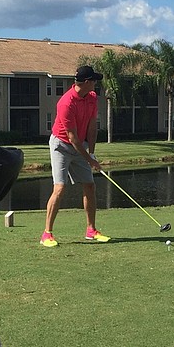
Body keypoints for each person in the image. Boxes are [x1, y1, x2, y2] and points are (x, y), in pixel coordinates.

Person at [41, 66, 110, 246]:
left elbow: (92, 127)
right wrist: (90, 161)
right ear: (87, 82)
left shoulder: (92, 98)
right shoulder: (66, 103)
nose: (96, 83)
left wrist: (92, 153)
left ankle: (91, 230)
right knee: (60, 188)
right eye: (94, 80)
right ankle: (47, 234)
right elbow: (72, 138)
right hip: (61, 146)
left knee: (89, 186)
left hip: (80, 146)